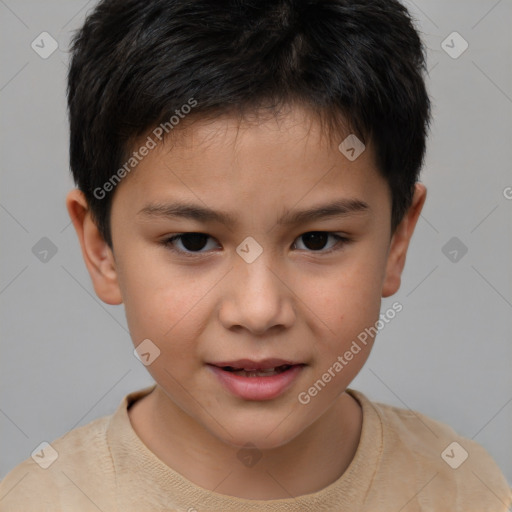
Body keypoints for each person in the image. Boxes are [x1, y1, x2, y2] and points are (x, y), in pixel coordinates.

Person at [1, 0, 510, 510]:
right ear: (101, 249)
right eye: (193, 242)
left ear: (397, 240)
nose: (259, 310)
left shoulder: (465, 487)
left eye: (317, 240)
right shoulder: (39, 501)